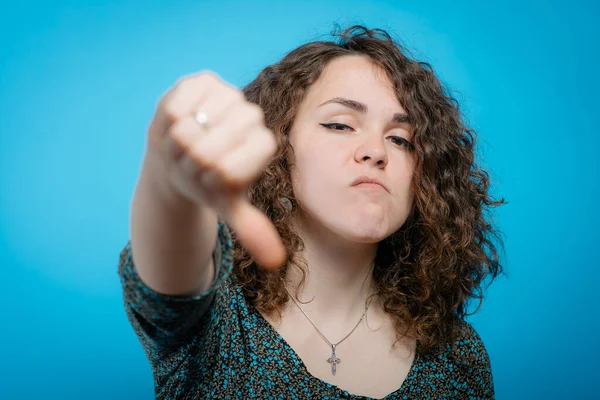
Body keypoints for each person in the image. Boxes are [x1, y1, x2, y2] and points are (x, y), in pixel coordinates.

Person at [118, 25, 506, 399]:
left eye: (400, 139)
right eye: (340, 125)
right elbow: (168, 265)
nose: (376, 150)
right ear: (279, 148)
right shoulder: (213, 321)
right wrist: (171, 178)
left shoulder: (458, 358)